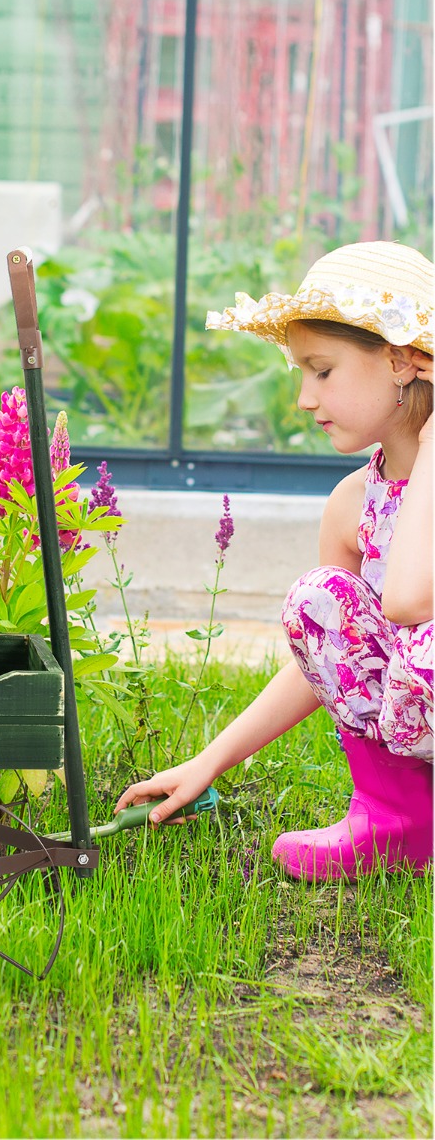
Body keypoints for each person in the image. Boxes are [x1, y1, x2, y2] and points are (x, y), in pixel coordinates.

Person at [114, 240, 433, 881]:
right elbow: (328, 657)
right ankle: (400, 818)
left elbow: (406, 603)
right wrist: (208, 762)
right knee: (320, 600)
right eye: (302, 376)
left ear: (400, 362)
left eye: (322, 371)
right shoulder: (352, 505)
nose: (305, 400)